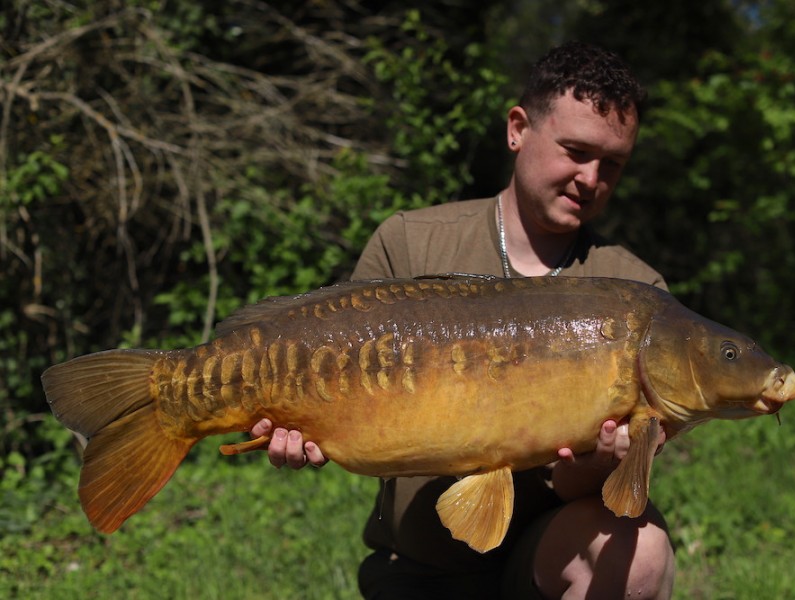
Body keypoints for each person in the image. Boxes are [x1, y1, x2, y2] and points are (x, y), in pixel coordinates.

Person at [251, 42, 675, 599]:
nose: (591, 178)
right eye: (575, 151)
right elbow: (347, 398)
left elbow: (582, 490)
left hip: (546, 560)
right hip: (419, 563)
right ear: (518, 129)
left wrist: (602, 461)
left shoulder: (637, 296)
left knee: (642, 552)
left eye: (613, 164)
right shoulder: (410, 243)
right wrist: (299, 424)